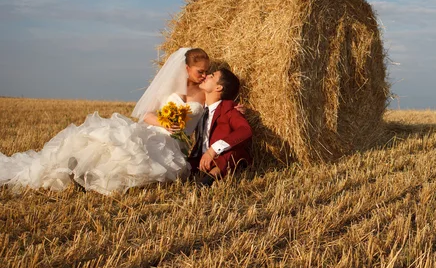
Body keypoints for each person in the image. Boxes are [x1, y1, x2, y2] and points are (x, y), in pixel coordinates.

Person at [0, 48, 212, 195]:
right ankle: (79, 169)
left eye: (206, 72)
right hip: (155, 129)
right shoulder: (168, 86)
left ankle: (89, 177)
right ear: (186, 68)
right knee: (122, 144)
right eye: (199, 72)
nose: (204, 76)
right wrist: (163, 123)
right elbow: (147, 114)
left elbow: (216, 109)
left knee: (141, 162)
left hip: (176, 142)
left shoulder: (205, 92)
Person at [188, 68, 253, 187]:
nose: (206, 76)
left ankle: (208, 181)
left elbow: (245, 130)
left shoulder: (229, 108)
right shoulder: (197, 109)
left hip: (221, 157)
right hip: (200, 159)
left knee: (231, 153)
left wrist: (213, 149)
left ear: (219, 88)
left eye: (212, 76)